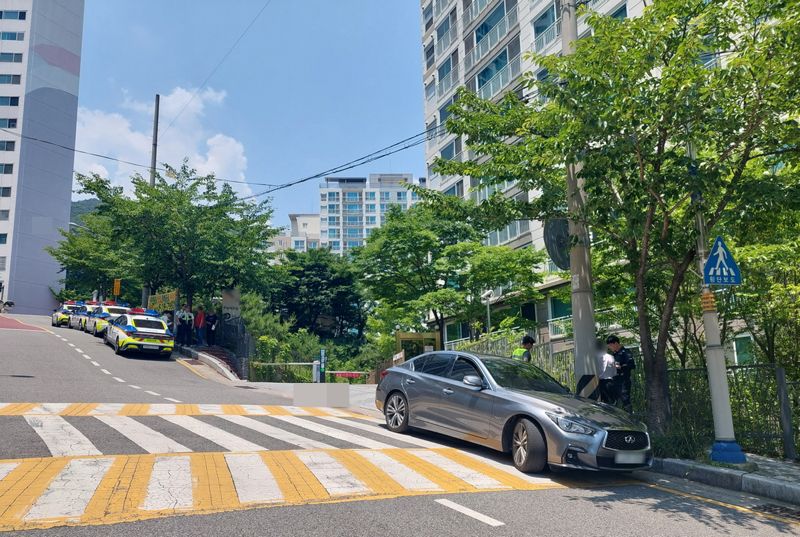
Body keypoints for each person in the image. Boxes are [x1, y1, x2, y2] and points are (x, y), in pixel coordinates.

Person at [607, 335, 635, 412]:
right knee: (613, 400)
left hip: (623, 380)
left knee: (625, 400)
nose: (610, 348)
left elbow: (631, 365)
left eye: (610, 346)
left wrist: (621, 366)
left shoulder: (625, 352)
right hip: (615, 380)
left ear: (615, 343)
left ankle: (630, 417)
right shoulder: (614, 355)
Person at [597, 339, 618, 404]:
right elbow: (614, 372)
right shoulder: (611, 357)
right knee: (611, 402)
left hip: (598, 383)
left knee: (601, 403)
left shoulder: (594, 358)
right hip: (610, 382)